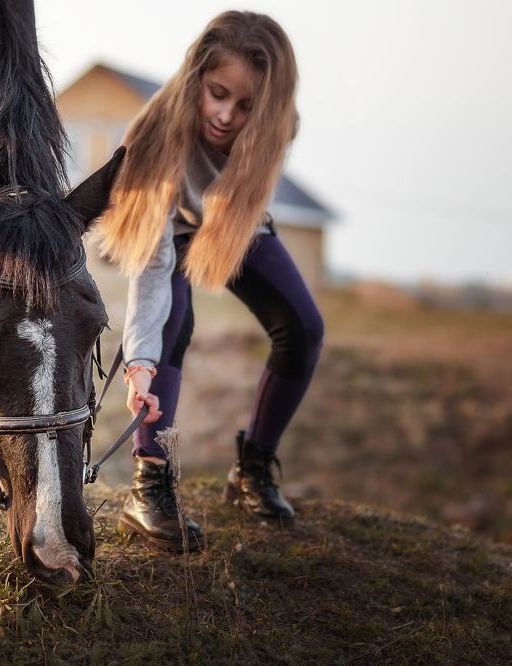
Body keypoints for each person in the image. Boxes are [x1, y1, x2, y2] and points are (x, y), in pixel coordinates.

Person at [97, 11, 324, 552]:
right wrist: (140, 363)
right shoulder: (155, 134)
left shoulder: (281, 127)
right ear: (197, 78)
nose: (226, 115)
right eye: (218, 94)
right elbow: (152, 265)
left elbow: (243, 203)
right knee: (172, 321)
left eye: (246, 106)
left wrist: (223, 222)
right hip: (169, 229)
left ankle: (252, 471)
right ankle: (149, 487)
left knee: (303, 327)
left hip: (230, 222)